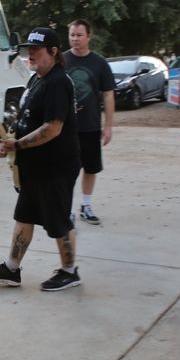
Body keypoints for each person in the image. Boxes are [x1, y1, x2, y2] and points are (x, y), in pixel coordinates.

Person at [0, 27, 83, 291]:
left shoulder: (58, 82)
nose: (30, 53)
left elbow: (52, 128)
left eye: (36, 49)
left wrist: (17, 144)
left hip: (56, 166)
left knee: (58, 220)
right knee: (24, 215)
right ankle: (11, 268)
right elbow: (27, 118)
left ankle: (70, 272)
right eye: (29, 49)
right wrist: (9, 142)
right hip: (35, 166)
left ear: (53, 51)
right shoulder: (37, 78)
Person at [63, 19, 115, 225]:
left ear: (89, 36)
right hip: (64, 128)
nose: (75, 39)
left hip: (91, 126)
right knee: (67, 170)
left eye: (79, 35)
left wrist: (108, 126)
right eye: (72, 35)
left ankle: (86, 205)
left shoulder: (99, 63)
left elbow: (108, 95)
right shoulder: (61, 61)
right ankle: (66, 209)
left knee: (91, 168)